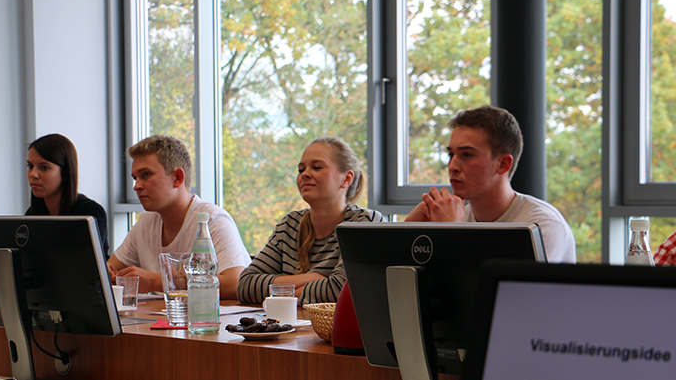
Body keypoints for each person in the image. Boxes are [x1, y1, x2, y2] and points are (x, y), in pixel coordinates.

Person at [404, 105, 577, 263]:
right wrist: (405, 233)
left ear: (502, 165)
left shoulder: (541, 225)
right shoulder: (457, 217)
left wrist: (453, 233)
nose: (453, 166)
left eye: (467, 155)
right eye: (451, 155)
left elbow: (503, 294)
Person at [237, 137, 384, 306]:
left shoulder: (364, 223)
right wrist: (313, 278)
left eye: (317, 167)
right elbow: (245, 285)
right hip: (291, 330)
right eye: (301, 169)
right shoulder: (289, 225)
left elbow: (341, 290)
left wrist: (282, 295)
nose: (305, 174)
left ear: (346, 179)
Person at [107, 135, 250, 299]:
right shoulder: (146, 221)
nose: (137, 186)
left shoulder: (212, 219)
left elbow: (235, 284)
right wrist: (109, 273)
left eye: (146, 174)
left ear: (177, 178)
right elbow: (110, 269)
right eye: (135, 178)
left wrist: (156, 282)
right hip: (163, 321)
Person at [26, 134, 109, 258]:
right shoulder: (32, 215)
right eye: (30, 166)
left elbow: (84, 264)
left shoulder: (90, 213)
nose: (33, 174)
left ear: (65, 173)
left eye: (44, 167)